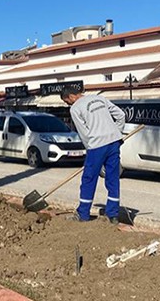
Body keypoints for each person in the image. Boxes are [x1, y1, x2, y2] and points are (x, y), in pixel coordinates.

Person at [61, 85, 126, 224]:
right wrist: (117, 133)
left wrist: (90, 149)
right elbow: (121, 115)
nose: (68, 104)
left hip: (97, 145)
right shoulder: (100, 98)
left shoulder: (75, 108)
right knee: (113, 178)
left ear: (71, 97)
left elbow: (83, 132)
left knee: (89, 179)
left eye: (67, 102)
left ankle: (83, 214)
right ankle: (113, 215)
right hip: (114, 142)